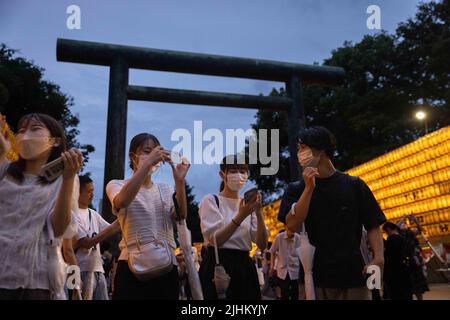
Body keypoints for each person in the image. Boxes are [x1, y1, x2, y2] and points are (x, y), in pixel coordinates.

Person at [278, 126, 386, 300]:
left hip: (353, 274)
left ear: (320, 150)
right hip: (312, 276)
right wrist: (308, 189)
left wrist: (379, 257)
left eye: (302, 148)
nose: (298, 153)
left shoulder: (354, 185)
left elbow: (373, 224)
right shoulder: (295, 189)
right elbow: (291, 225)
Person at [0, 113, 82, 300]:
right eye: (21, 131)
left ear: (54, 141)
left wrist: (68, 178)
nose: (25, 135)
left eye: (35, 129)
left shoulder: (65, 178)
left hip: (37, 280)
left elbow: (62, 233)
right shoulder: (5, 171)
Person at [106, 133, 190, 300]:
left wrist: (179, 182)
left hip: (167, 266)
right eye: (147, 151)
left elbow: (181, 215)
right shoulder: (117, 184)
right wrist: (149, 163)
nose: (153, 156)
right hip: (131, 266)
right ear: (133, 156)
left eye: (156, 152)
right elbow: (121, 201)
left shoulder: (165, 188)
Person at [198, 155, 269, 300]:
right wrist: (241, 215)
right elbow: (215, 240)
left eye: (243, 171)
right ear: (222, 174)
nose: (239, 175)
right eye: (234, 170)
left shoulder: (248, 205)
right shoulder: (211, 201)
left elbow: (262, 244)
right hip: (219, 265)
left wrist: (259, 213)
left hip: (244, 266)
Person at [69, 175, 121, 300]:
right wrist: (115, 226)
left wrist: (124, 219)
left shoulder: (93, 214)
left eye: (93, 191)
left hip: (98, 269)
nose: (92, 194)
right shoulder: (72, 214)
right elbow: (86, 243)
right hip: (81, 269)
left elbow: (114, 228)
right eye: (88, 191)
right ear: (77, 192)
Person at [382, 222, 413, 300]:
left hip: (393, 272)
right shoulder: (403, 238)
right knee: (406, 293)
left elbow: (388, 256)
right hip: (404, 269)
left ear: (388, 229)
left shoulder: (391, 239)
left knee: (396, 294)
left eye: (385, 232)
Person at [398, 222, 429, 300]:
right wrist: (403, 218)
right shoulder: (398, 236)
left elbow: (420, 229)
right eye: (402, 224)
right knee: (407, 287)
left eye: (404, 224)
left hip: (415, 262)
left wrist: (415, 220)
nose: (403, 225)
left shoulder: (411, 233)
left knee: (418, 288)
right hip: (404, 262)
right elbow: (395, 226)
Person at [269, 229, 301, 300]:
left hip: (294, 270)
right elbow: (272, 251)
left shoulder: (298, 238)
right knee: (284, 294)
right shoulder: (279, 237)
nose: (292, 232)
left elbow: (301, 254)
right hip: (282, 271)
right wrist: (272, 267)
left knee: (295, 294)